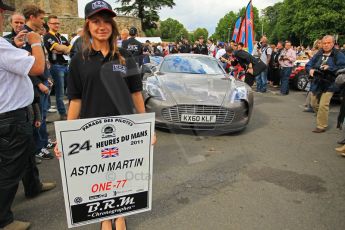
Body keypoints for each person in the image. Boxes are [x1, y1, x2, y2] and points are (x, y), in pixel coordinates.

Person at [55, 1, 153, 229]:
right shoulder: (79, 60)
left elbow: (136, 94)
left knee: (121, 174)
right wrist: (66, 136)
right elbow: (76, 100)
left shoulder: (125, 57)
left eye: (107, 22)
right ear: (87, 25)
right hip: (92, 131)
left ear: (113, 26)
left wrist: (148, 129)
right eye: (96, 21)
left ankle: (120, 215)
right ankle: (104, 218)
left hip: (125, 129)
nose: (102, 26)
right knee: (98, 177)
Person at [0, 1, 55, 229]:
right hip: (11, 115)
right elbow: (37, 68)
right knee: (11, 167)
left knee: (27, 152)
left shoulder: (4, 45)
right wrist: (36, 42)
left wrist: (15, 45)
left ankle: (33, 186)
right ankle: (3, 219)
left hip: (18, 111)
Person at [306, 35, 345, 133]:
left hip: (330, 83)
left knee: (324, 105)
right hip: (317, 82)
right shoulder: (319, 53)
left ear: (333, 43)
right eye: (324, 43)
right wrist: (310, 69)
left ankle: (321, 125)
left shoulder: (338, 54)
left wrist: (330, 68)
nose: (326, 45)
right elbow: (309, 64)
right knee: (313, 103)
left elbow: (342, 68)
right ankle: (322, 114)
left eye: (328, 43)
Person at [44, 15, 71, 120]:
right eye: (54, 23)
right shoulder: (47, 36)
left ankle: (71, 111)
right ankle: (63, 114)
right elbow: (58, 48)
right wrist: (62, 48)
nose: (56, 25)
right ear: (49, 24)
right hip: (56, 66)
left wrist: (62, 49)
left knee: (69, 91)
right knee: (60, 93)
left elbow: (70, 48)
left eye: (58, 23)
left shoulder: (61, 37)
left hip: (66, 65)